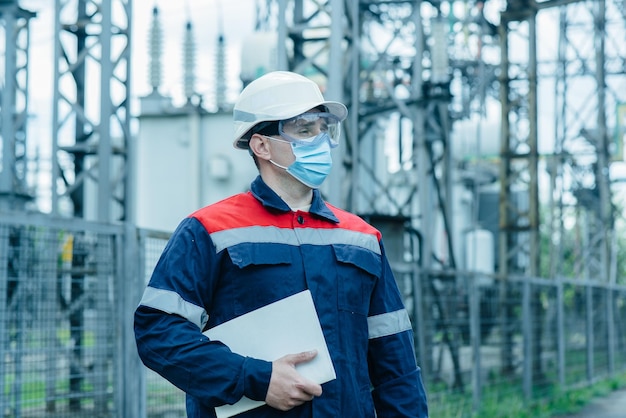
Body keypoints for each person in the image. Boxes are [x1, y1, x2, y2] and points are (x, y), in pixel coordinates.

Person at [134, 71, 429, 417]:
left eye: (324, 129)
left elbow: (395, 361)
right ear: (261, 145)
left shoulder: (362, 237)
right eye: (305, 129)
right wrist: (253, 378)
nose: (320, 140)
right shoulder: (208, 229)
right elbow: (158, 332)